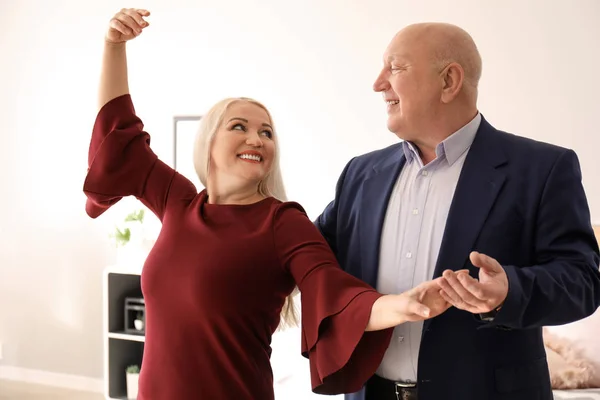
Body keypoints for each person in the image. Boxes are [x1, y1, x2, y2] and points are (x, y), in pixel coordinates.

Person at [83, 8, 454, 400]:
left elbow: (333, 292)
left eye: (266, 133)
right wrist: (114, 45)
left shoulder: (281, 222)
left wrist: (403, 306)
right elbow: (119, 135)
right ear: (208, 141)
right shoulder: (178, 201)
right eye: (239, 127)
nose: (256, 139)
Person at [315, 22, 600, 400]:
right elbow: (306, 256)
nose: (378, 83)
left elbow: (582, 280)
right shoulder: (360, 174)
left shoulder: (543, 169)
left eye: (395, 68)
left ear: (449, 81)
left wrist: (508, 291)